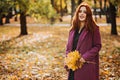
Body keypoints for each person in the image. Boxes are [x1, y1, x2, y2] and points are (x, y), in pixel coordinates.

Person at [65, 2, 102, 80]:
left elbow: (97, 46)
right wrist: (67, 59)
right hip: (73, 66)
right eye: (80, 11)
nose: (82, 14)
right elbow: (68, 47)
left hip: (86, 66)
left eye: (85, 12)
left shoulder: (94, 29)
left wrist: (85, 57)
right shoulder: (73, 29)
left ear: (88, 15)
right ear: (77, 13)